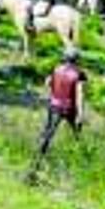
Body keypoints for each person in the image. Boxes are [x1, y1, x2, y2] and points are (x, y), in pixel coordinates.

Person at [29, 47, 87, 175]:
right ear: (77, 60)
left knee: (47, 134)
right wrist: (81, 114)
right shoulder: (79, 74)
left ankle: (36, 162)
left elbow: (48, 82)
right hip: (70, 109)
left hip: (54, 106)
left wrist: (51, 95)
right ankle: (83, 161)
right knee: (77, 135)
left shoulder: (56, 69)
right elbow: (80, 94)